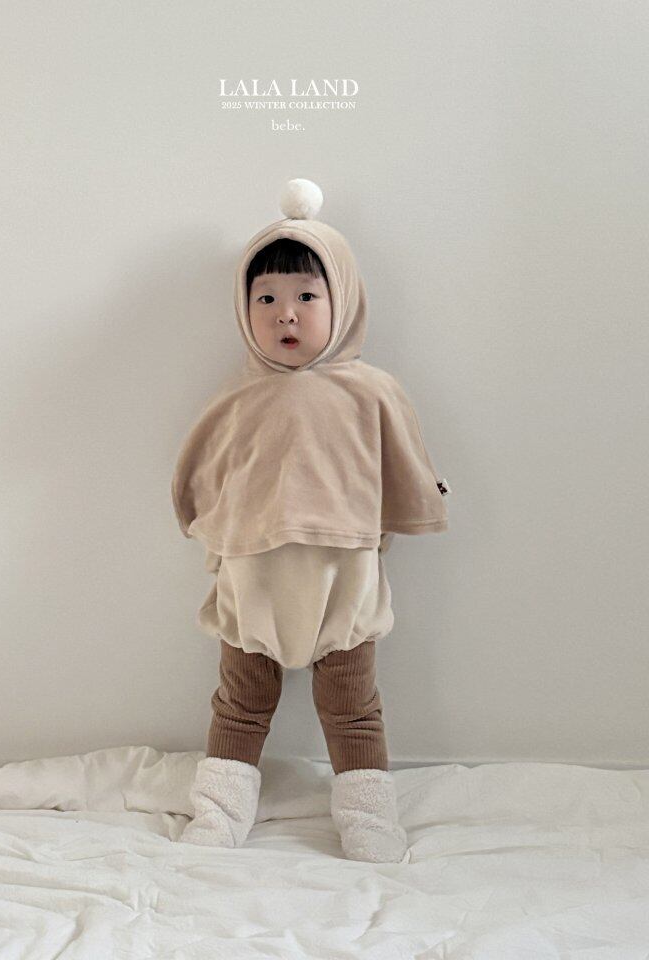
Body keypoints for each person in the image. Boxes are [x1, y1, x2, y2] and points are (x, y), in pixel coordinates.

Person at [171, 179, 450, 862]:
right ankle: (219, 811)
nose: (285, 315)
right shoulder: (240, 397)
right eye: (265, 299)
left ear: (342, 300)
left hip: (342, 582)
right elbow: (205, 468)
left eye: (306, 297)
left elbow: (402, 463)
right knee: (239, 703)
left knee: (352, 705)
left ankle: (368, 817)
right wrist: (203, 519)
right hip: (254, 582)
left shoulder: (371, 392)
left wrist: (421, 498)